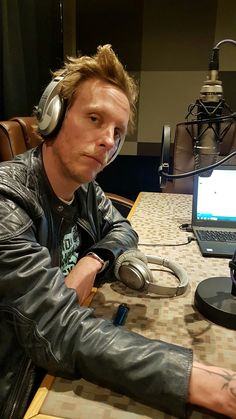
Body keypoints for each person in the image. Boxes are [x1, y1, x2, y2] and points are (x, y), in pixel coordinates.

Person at [0, 44, 235, 419]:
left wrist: (92, 262)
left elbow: (122, 229)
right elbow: (58, 330)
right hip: (22, 387)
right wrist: (194, 378)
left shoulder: (85, 189)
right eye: (95, 119)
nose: (109, 140)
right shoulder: (7, 205)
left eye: (117, 131)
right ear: (53, 117)